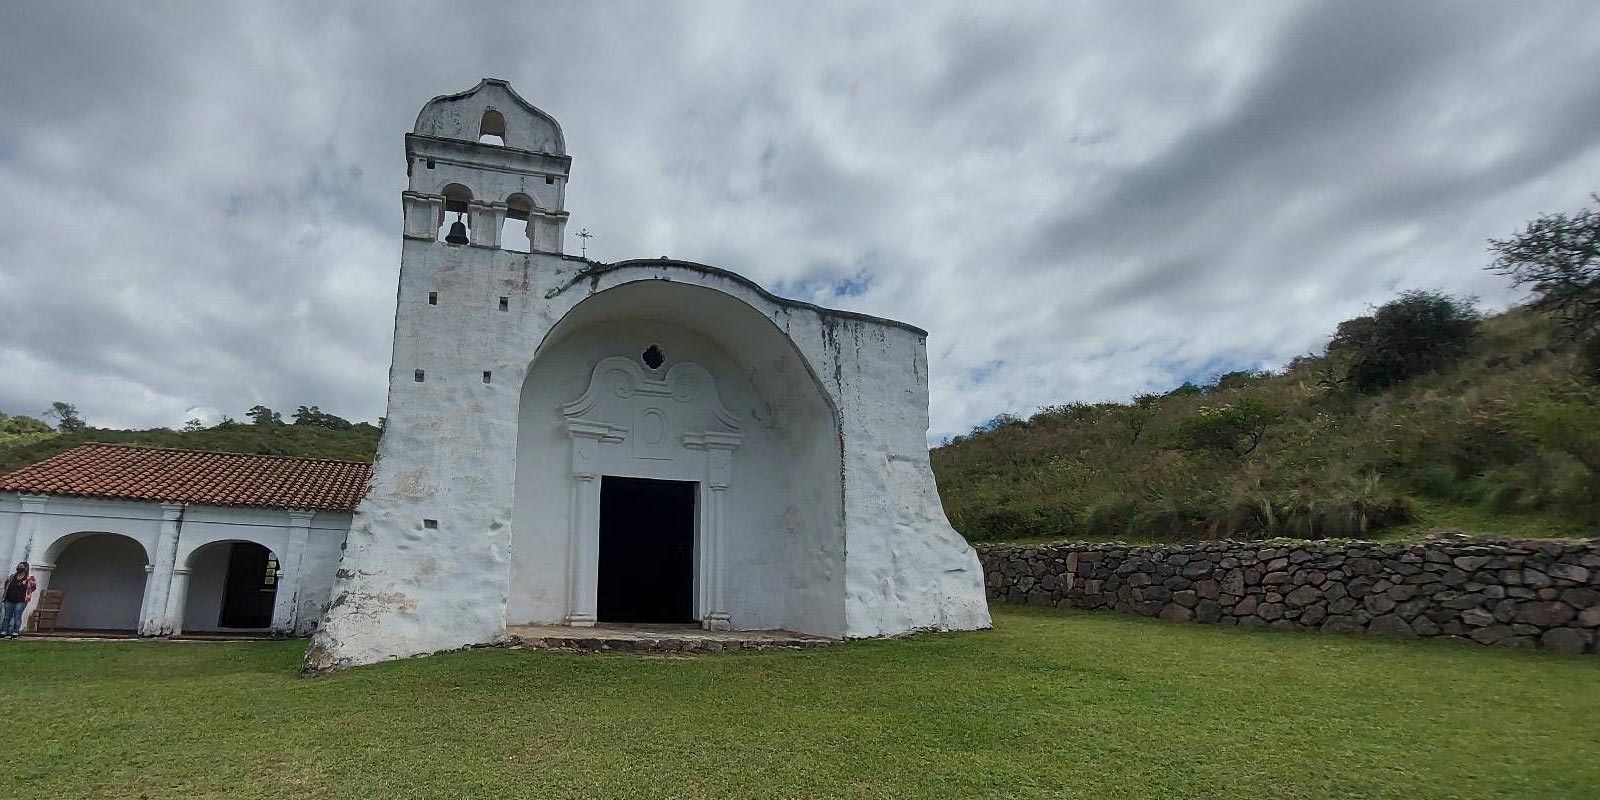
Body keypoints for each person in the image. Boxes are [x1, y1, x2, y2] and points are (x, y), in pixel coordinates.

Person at [2, 562, 38, 639]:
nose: (19, 568)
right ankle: (4, 631)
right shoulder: (12, 576)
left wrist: (28, 593)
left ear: (25, 568)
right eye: (18, 566)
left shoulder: (29, 578)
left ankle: (15, 632)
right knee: (7, 616)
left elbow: (33, 587)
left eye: (21, 566)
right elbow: (6, 585)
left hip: (21, 600)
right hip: (9, 599)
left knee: (17, 616)